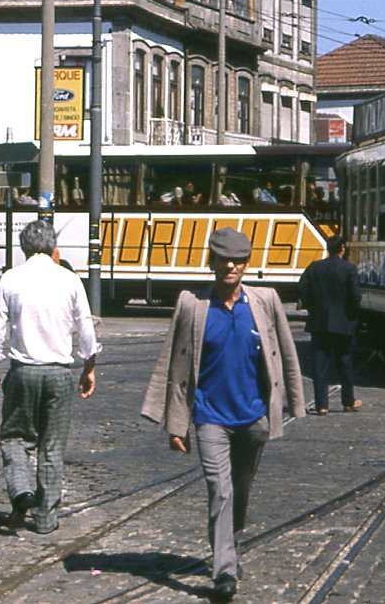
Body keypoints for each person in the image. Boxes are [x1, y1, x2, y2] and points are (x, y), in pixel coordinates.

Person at [141, 227, 305, 602]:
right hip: (210, 418)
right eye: (223, 259)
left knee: (240, 490)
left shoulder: (265, 301)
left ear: (247, 264)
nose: (230, 266)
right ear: (210, 261)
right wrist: (174, 424)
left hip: (253, 418)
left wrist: (291, 403)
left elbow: (287, 355)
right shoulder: (191, 303)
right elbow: (173, 364)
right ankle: (224, 572)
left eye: (238, 260)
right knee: (220, 490)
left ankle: (230, 541)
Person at [0, 220, 101, 535]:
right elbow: (86, 327)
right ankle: (46, 518)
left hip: (23, 372)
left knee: (14, 437)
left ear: (24, 248)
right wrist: (89, 366)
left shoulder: (10, 279)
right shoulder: (70, 280)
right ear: (52, 247)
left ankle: (21, 493)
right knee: (51, 446)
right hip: (59, 374)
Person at [297, 235, 362, 415]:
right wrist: (351, 315)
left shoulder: (315, 267)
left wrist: (312, 306)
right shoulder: (349, 269)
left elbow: (301, 289)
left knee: (320, 365)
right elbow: (356, 296)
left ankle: (321, 405)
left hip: (319, 324)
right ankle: (348, 401)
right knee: (345, 363)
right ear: (342, 248)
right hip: (344, 324)